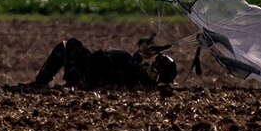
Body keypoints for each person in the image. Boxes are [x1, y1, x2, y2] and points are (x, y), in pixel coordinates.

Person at [30, 34, 177, 90]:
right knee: (66, 45)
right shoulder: (144, 74)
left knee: (72, 44)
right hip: (97, 68)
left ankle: (72, 84)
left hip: (96, 76)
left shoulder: (147, 79)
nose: (154, 63)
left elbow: (133, 67)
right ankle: (41, 82)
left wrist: (140, 52)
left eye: (157, 63)